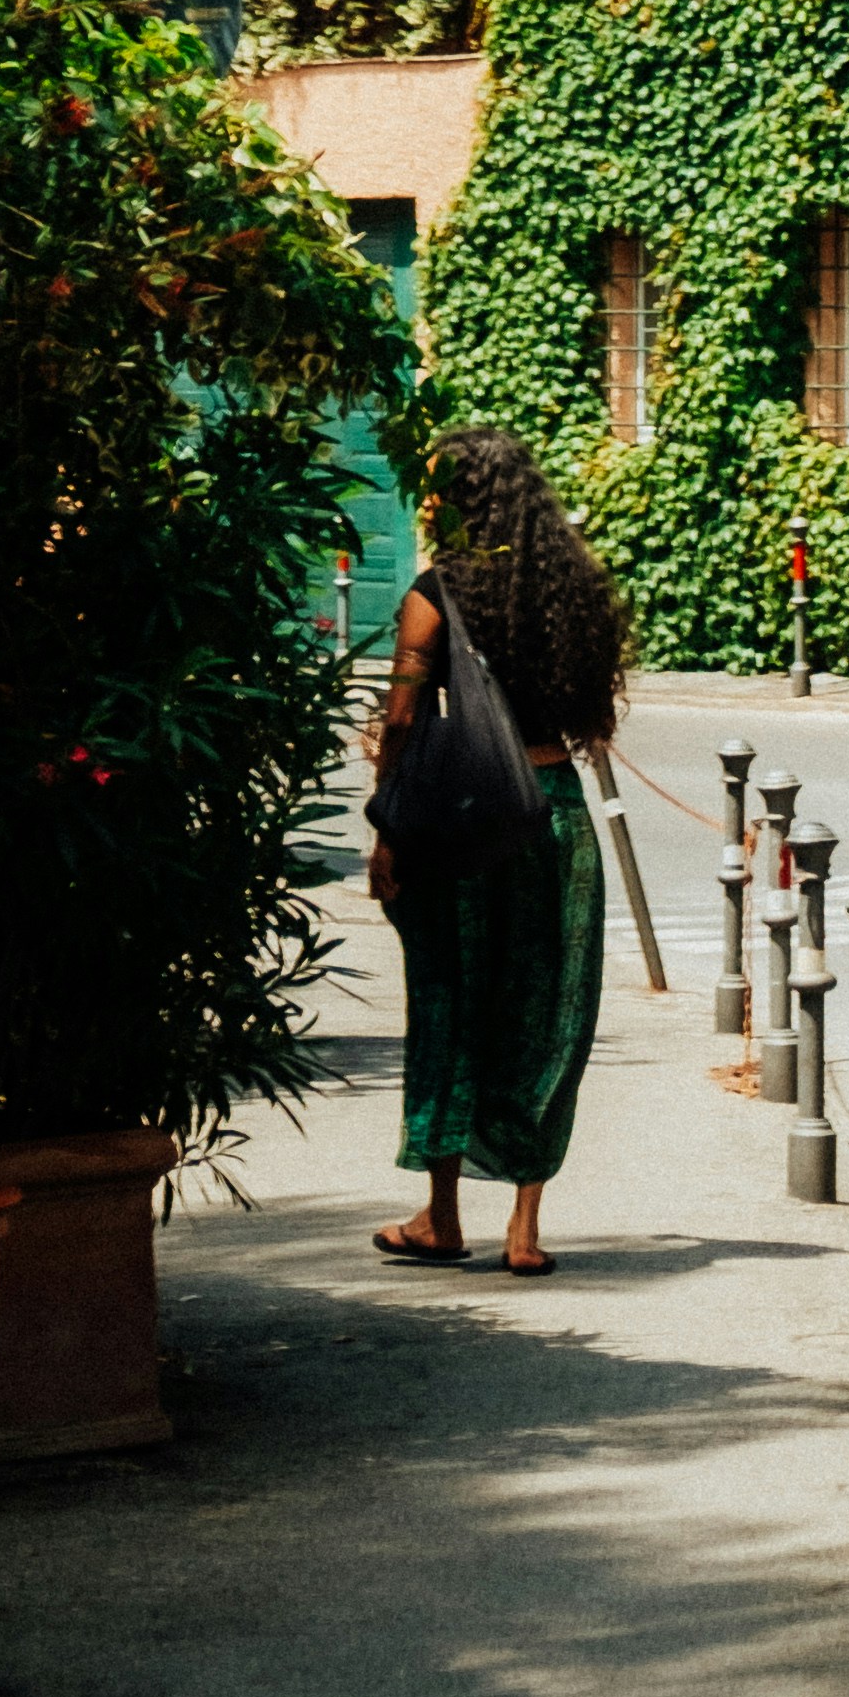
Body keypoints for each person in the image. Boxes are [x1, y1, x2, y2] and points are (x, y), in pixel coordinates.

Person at [368, 429, 629, 1278]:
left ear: (462, 499)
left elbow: (404, 717)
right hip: (555, 816)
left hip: (469, 822)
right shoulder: (573, 592)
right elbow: (593, 720)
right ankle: (524, 1227)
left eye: (439, 487)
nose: (430, 500)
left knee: (449, 1001)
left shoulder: (435, 592)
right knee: (547, 1013)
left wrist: (388, 826)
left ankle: (442, 1217)